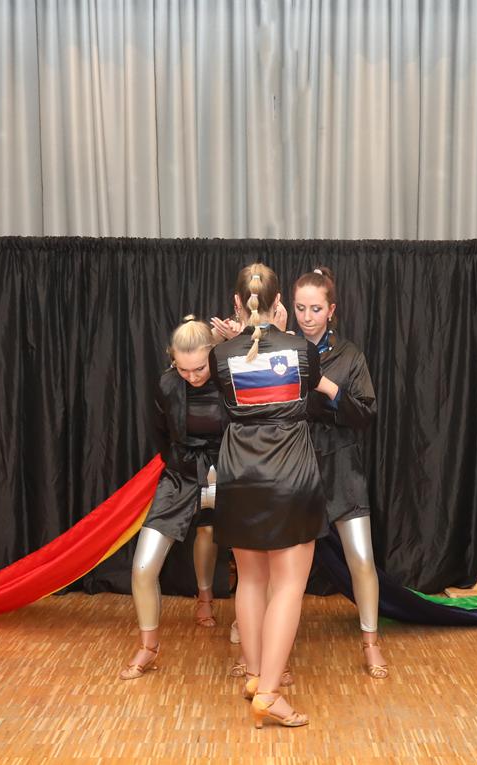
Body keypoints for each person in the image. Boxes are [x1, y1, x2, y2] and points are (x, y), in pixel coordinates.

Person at [210, 263, 337, 729]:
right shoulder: (302, 350)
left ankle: (254, 676)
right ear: (280, 302)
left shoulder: (221, 355)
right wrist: (281, 333)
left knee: (250, 580)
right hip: (290, 476)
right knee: (287, 585)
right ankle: (269, 692)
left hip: (239, 474)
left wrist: (240, 335)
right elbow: (310, 392)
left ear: (237, 303)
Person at [119, 317, 226, 680]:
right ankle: (148, 647)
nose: (192, 377)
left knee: (246, 557)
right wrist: (184, 468)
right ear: (172, 360)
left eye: (199, 369)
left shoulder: (230, 378)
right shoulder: (167, 384)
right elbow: (161, 435)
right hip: (181, 475)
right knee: (143, 567)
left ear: (213, 355)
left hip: (230, 473)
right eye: (183, 369)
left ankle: (245, 636)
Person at [291, 267, 386, 677]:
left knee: (361, 559)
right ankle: (272, 645)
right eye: (300, 308)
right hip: (295, 466)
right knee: (286, 568)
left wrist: (328, 387)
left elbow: (365, 414)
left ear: (331, 310)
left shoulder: (350, 355)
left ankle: (371, 643)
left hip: (343, 466)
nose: (307, 317)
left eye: (315, 309)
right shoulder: (284, 349)